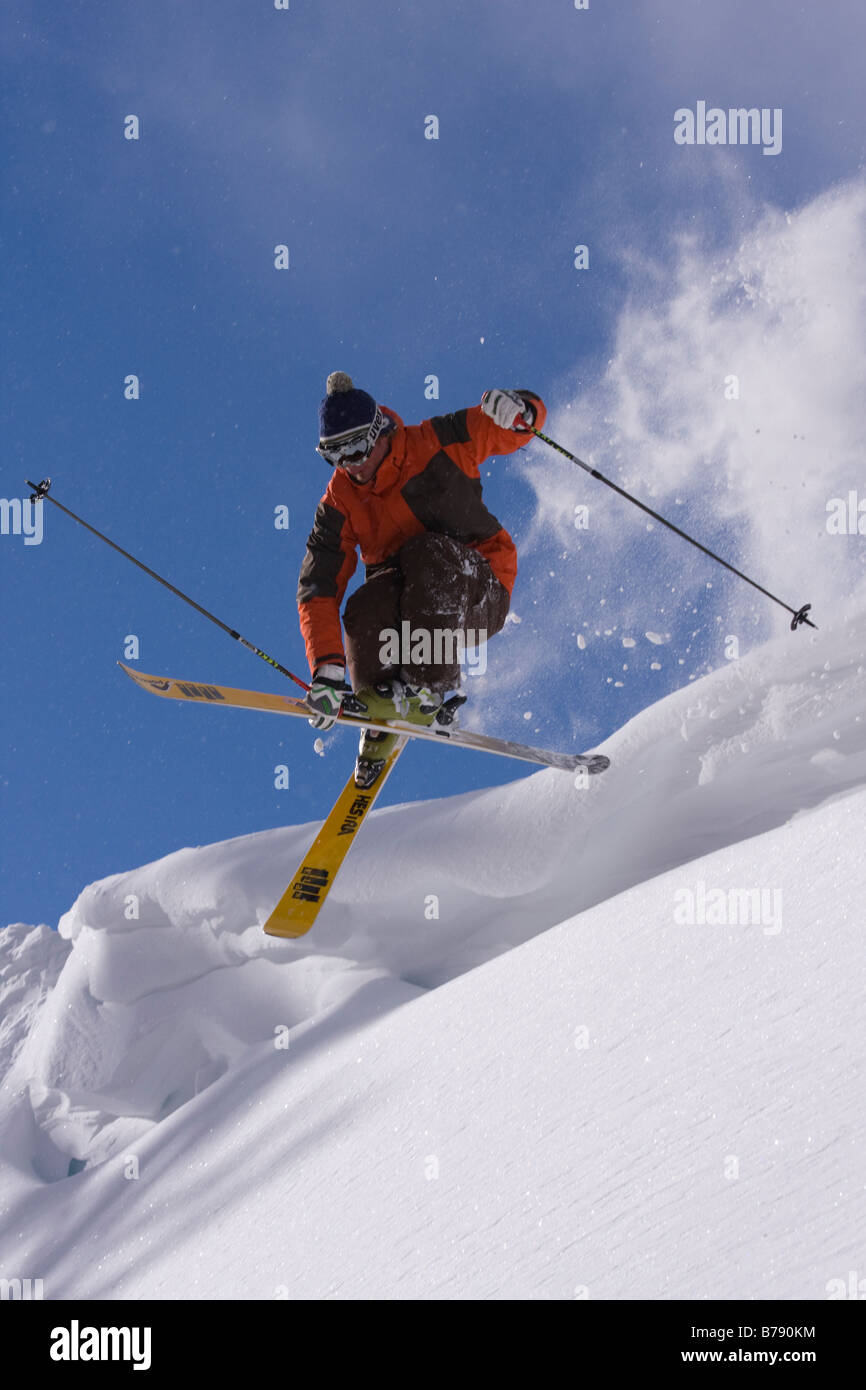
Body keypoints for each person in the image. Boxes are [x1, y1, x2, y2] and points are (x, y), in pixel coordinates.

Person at [298, 372, 547, 786]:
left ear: (381, 430)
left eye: (358, 447)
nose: (353, 465)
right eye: (337, 456)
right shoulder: (339, 503)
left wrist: (519, 409)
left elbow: (512, 429)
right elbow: (318, 589)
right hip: (407, 614)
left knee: (424, 553)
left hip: (477, 592)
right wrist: (326, 670)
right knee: (362, 606)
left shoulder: (434, 442)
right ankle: (381, 711)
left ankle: (426, 689)